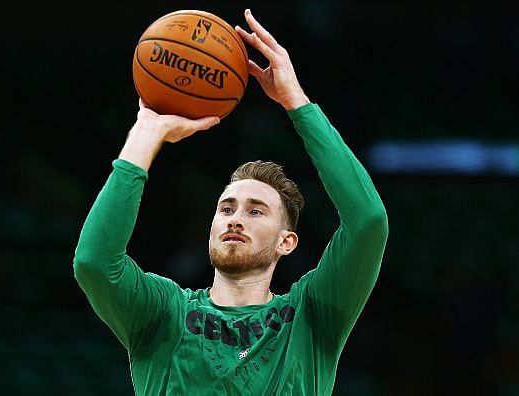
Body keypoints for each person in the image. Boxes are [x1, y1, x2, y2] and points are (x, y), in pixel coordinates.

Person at [73, 9, 388, 395]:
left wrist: (296, 102)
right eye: (226, 208)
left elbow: (368, 220)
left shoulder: (311, 316)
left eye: (256, 210)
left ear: (286, 241)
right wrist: (146, 133)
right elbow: (94, 262)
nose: (235, 219)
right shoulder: (164, 312)